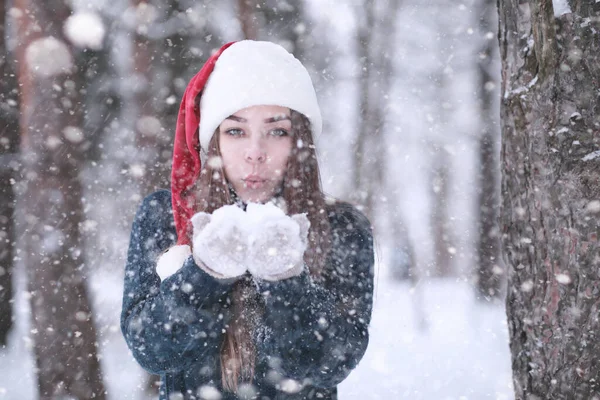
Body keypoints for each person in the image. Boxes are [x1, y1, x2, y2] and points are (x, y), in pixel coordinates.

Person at [121, 40, 374, 400]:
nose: (256, 153)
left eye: (277, 131)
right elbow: (152, 351)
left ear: (300, 141)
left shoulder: (342, 227)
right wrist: (204, 275)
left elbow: (333, 362)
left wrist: (287, 281)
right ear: (214, 142)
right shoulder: (169, 215)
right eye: (236, 131)